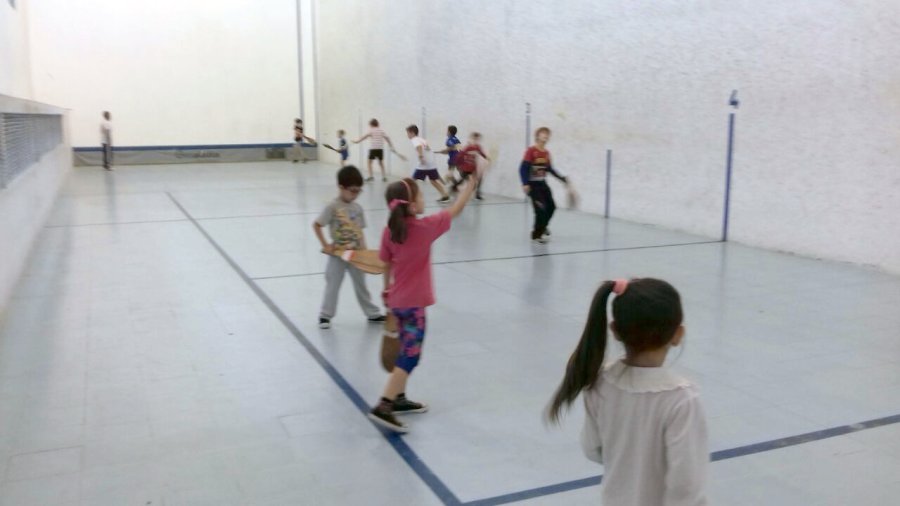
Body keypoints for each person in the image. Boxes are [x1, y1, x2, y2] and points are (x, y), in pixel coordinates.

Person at [548, 278, 709, 506]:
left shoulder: (599, 382)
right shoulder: (682, 401)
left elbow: (592, 449)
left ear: (615, 330)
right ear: (677, 334)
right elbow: (687, 486)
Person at [368, 175, 478, 432]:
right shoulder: (425, 227)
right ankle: (384, 405)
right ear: (412, 205)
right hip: (415, 306)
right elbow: (456, 209)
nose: (423, 198)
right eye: (419, 195)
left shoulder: (389, 231)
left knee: (405, 349)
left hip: (396, 302)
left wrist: (386, 291)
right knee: (411, 355)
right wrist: (469, 188)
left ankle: (400, 398)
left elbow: (386, 263)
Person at [313, 165, 386, 329]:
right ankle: (325, 315)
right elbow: (317, 225)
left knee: (361, 285)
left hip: (356, 254)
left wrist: (365, 253)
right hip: (338, 255)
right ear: (341, 187)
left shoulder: (358, 209)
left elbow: (360, 232)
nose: (355, 194)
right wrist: (325, 245)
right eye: (352, 190)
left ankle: (372, 313)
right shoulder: (332, 207)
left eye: (358, 191)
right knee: (332, 285)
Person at [520, 127, 569, 243]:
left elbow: (550, 169)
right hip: (533, 185)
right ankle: (536, 235)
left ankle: (543, 226)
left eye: (548, 134)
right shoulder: (531, 151)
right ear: (537, 136)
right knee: (540, 210)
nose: (546, 136)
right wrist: (525, 183)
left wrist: (562, 178)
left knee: (551, 207)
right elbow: (523, 168)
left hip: (543, 184)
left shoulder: (546, 153)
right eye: (543, 134)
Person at [406, 124, 451, 204]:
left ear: (412, 133)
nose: (407, 135)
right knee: (433, 181)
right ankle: (445, 196)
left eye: (408, 133)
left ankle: (411, 198)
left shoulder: (415, 140)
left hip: (424, 164)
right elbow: (428, 149)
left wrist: (421, 157)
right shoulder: (422, 139)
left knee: (412, 181)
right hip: (431, 163)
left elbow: (419, 147)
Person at [450, 132, 488, 200]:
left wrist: (486, 157)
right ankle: (454, 187)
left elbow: (481, 153)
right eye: (475, 138)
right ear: (473, 138)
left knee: (479, 179)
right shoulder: (468, 147)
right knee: (462, 179)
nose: (476, 140)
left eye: (478, 139)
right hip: (466, 167)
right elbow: (460, 155)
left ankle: (477, 194)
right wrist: (457, 164)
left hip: (473, 167)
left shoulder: (478, 147)